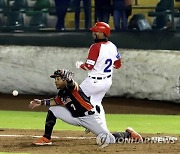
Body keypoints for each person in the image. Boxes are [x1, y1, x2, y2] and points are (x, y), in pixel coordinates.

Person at [29, 69, 142, 146]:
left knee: (108, 140)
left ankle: (129, 134)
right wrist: (41, 102)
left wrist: (69, 80)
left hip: (90, 117)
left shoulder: (71, 88)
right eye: (55, 79)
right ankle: (46, 138)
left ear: (64, 79)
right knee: (53, 110)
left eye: (58, 79)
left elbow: (73, 85)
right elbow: (55, 101)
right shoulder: (62, 93)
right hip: (75, 117)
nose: (55, 81)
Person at [75, 22, 122, 134]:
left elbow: (88, 66)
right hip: (106, 81)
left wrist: (80, 65)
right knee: (96, 103)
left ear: (102, 33)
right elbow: (118, 65)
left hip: (94, 82)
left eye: (96, 31)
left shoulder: (95, 47)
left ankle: (90, 122)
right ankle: (104, 131)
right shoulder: (112, 46)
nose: (93, 33)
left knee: (73, 97)